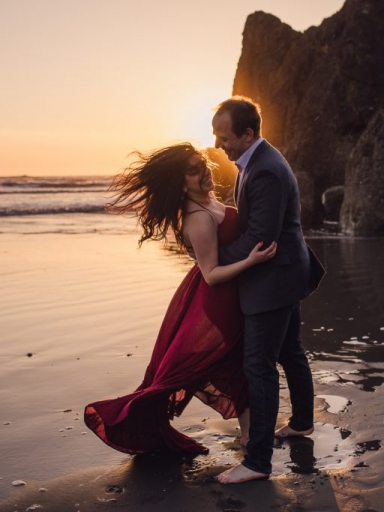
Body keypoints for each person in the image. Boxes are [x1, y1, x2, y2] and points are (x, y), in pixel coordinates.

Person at [84, 142, 276, 455]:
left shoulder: (209, 200)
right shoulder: (197, 217)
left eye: (203, 165)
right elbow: (212, 274)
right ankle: (249, 436)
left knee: (239, 365)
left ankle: (250, 435)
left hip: (230, 294)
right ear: (181, 181)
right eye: (193, 171)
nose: (204, 173)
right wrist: (252, 261)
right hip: (218, 298)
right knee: (229, 364)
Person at [212, 97, 325, 484]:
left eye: (224, 137)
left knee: (258, 366)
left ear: (247, 134)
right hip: (287, 273)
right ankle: (303, 423)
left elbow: (260, 237)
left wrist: (216, 260)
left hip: (274, 280)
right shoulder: (255, 162)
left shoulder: (266, 171)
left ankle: (258, 462)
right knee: (291, 351)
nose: (217, 145)